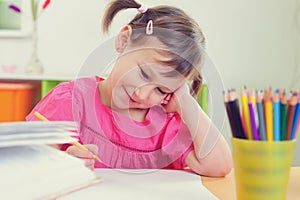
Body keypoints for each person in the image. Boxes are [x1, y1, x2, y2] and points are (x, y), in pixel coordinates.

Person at [26, 0, 232, 177]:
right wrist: (63, 165)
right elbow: (29, 163)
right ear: (124, 41)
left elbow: (220, 166)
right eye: (143, 73)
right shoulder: (70, 101)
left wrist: (186, 102)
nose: (142, 94)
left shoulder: (166, 122)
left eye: (161, 90)